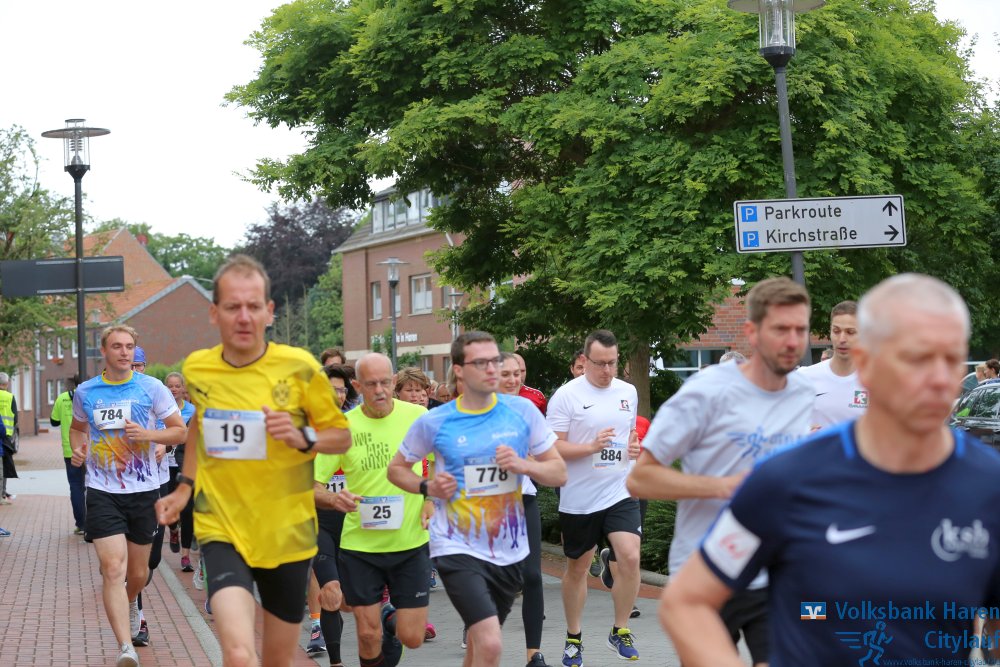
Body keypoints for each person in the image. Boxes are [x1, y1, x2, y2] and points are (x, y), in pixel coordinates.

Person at [657, 273, 1000, 666]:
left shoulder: (990, 487)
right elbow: (687, 602)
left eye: (952, 358)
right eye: (916, 358)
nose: (939, 378)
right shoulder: (787, 479)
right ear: (867, 364)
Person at [155, 254, 351, 667]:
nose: (243, 317)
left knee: (277, 658)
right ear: (214, 313)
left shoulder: (299, 368)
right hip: (222, 524)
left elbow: (341, 436)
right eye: (232, 306)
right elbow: (201, 425)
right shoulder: (199, 368)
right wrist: (185, 486)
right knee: (239, 653)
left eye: (253, 306)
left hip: (288, 531)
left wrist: (301, 436)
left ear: (269, 311)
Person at [626, 276, 814, 667]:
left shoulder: (803, 393)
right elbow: (640, 478)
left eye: (801, 329)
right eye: (781, 329)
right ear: (752, 332)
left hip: (774, 573)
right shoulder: (707, 391)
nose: (793, 341)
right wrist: (725, 487)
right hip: (704, 572)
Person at [388, 331, 567, 667]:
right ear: (459, 370)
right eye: (480, 363)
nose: (491, 369)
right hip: (456, 546)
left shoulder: (522, 411)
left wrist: (523, 465)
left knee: (479, 647)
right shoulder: (435, 421)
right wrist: (428, 487)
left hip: (507, 551)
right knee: (490, 642)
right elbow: (396, 469)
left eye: (495, 361)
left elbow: (559, 472)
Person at [70, 325, 188, 667]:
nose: (124, 352)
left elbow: (180, 431)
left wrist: (149, 434)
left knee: (138, 573)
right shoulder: (86, 392)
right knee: (112, 568)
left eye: (129, 346)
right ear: (104, 351)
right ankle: (126, 647)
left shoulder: (152, 388)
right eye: (117, 346)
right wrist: (78, 450)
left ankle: (131, 599)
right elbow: (77, 430)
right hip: (102, 491)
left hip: (144, 492)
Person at [315, 353, 432, 667]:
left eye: (384, 382)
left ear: (393, 382)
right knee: (367, 635)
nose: (379, 390)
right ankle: (378, 619)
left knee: (413, 636)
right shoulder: (342, 427)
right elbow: (311, 485)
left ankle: (388, 616)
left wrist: (431, 500)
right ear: (357, 386)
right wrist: (332, 499)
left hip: (410, 543)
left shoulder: (418, 417)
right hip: (360, 547)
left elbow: (440, 461)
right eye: (370, 384)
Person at [545, 329, 641, 665]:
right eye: (600, 363)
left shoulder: (628, 391)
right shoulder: (566, 396)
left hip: (620, 489)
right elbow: (552, 447)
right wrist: (590, 447)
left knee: (630, 556)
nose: (607, 370)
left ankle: (620, 629)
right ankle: (574, 638)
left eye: (612, 363)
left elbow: (630, 435)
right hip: (580, 496)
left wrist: (634, 447)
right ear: (584, 360)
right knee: (578, 568)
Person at [133, 364, 198, 647]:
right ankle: (136, 615)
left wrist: (164, 445)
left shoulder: (156, 394)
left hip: (158, 481)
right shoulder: (109, 396)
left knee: (151, 562)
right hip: (122, 489)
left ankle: (132, 588)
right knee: (128, 560)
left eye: (138, 364)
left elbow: (181, 435)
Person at [498, 353, 551, 667]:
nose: (514, 379)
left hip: (524, 499)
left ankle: (534, 654)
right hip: (487, 505)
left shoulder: (529, 409)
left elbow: (549, 459)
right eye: (506, 374)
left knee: (532, 575)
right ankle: (478, 637)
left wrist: (533, 462)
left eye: (518, 373)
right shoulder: (471, 410)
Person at [796, 300, 868, 430]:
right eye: (836, 331)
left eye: (850, 332)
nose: (842, 339)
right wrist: (802, 433)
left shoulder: (876, 383)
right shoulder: (804, 377)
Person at [51, 376, 85, 535]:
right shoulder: (90, 395)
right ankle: (95, 523)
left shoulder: (62, 398)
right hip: (90, 449)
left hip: (70, 450)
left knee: (76, 486)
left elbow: (54, 421)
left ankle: (81, 524)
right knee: (94, 486)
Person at [0, 371, 19, 506]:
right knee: (5, 465)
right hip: (6, 434)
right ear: (6, 384)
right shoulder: (10, 397)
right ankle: (2, 492)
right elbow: (15, 418)